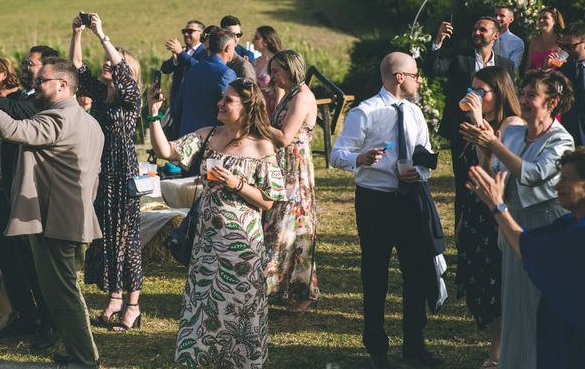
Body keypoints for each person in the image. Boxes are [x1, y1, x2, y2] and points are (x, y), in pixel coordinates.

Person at [0, 58, 104, 368]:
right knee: (59, 294)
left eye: (42, 81)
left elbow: (13, 129)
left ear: (63, 85)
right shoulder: (88, 121)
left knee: (64, 296)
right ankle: (76, 351)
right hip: (71, 220)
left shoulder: (59, 119)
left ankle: (84, 359)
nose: (35, 86)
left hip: (58, 224)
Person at [147, 78, 285, 368]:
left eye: (228, 100)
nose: (220, 103)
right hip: (207, 243)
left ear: (247, 108)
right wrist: (153, 113)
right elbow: (165, 151)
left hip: (242, 247)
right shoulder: (208, 135)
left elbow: (269, 200)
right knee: (202, 307)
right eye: (222, 98)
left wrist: (236, 183)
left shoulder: (262, 147)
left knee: (239, 311)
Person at [331, 52, 441, 369]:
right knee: (375, 274)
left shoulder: (416, 113)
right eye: (416, 74)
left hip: (409, 199)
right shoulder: (364, 112)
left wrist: (418, 172)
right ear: (400, 77)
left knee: (416, 273)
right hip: (375, 200)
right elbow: (337, 154)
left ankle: (414, 346)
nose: (420, 80)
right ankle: (377, 347)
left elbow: (425, 155)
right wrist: (360, 158)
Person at [459, 69, 575, 369]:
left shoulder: (561, 140)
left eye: (531, 95)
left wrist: (493, 143)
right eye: (522, 94)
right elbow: (495, 169)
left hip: (547, 224)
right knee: (514, 301)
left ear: (552, 102)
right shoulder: (512, 133)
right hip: (513, 220)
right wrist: (484, 148)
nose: (523, 100)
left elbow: (532, 174)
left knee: (541, 301)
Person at [467, 146, 585, 369]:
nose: (557, 186)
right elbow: (526, 240)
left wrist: (497, 207)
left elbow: (527, 248)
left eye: (566, 179)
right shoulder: (571, 222)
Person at [0, 48, 58, 346]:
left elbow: (10, 112)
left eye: (30, 63)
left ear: (47, 69)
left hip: (25, 193)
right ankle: (25, 315)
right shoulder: (20, 94)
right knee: (5, 256)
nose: (24, 66)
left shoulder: (39, 101)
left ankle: (49, 322)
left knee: (32, 260)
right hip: (1, 190)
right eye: (24, 62)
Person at [68, 12, 143, 332]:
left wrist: (103, 35)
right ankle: (113, 297)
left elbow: (124, 72)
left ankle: (133, 305)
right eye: (108, 62)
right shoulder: (100, 94)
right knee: (107, 238)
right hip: (101, 169)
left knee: (127, 238)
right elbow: (76, 72)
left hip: (123, 170)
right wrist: (78, 34)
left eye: (114, 64)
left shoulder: (130, 97)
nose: (107, 65)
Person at [454, 66, 524, 369]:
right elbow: (473, 175)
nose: (475, 96)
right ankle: (496, 351)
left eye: (482, 90)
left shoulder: (512, 124)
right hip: (475, 209)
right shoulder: (483, 124)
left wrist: (480, 122)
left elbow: (496, 172)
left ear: (501, 91)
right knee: (482, 286)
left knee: (500, 287)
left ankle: (501, 355)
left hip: (498, 213)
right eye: (473, 89)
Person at [424, 16, 515, 229]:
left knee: (493, 178)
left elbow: (510, 97)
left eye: (482, 30)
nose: (476, 32)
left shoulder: (505, 65)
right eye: (474, 29)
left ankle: (493, 228)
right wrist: (438, 41)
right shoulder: (459, 57)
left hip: (493, 130)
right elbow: (433, 69)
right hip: (463, 130)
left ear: (495, 35)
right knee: (464, 183)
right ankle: (461, 231)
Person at [262, 50, 320, 313]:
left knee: (292, 226)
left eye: (276, 71)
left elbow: (285, 137)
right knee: (280, 225)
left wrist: (256, 124)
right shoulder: (290, 94)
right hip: (284, 164)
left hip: (295, 167)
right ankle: (284, 287)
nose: (271, 75)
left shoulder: (303, 96)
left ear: (290, 69)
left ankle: (303, 290)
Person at [175, 27, 237, 137]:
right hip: (212, 137)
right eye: (233, 47)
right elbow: (232, 107)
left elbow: (178, 105)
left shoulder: (192, 70)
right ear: (227, 48)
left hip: (187, 135)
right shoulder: (226, 73)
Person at [160, 20, 206, 137]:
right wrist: (175, 59)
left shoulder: (205, 51)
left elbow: (200, 68)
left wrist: (181, 53)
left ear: (201, 33)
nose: (186, 34)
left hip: (194, 106)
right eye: (184, 31)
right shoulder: (183, 51)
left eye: (190, 31)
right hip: (177, 105)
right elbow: (165, 68)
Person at [555, 21, 585, 146]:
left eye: (570, 47)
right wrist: (547, 69)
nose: (566, 51)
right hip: (571, 134)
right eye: (563, 46)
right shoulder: (565, 67)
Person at [253, 25, 284, 118]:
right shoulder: (255, 61)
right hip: (254, 108)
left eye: (256, 38)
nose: (252, 41)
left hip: (270, 110)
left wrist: (275, 116)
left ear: (266, 41)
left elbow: (281, 93)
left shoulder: (276, 62)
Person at [523, 7, 565, 72]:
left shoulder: (561, 41)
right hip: (535, 79)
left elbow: (561, 65)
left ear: (554, 22)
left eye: (545, 18)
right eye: (540, 18)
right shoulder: (534, 41)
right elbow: (528, 66)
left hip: (554, 79)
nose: (541, 20)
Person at [493, 5, 525, 72]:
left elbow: (513, 67)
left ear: (511, 19)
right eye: (496, 15)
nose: (497, 18)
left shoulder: (517, 42)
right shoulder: (487, 37)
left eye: (502, 16)